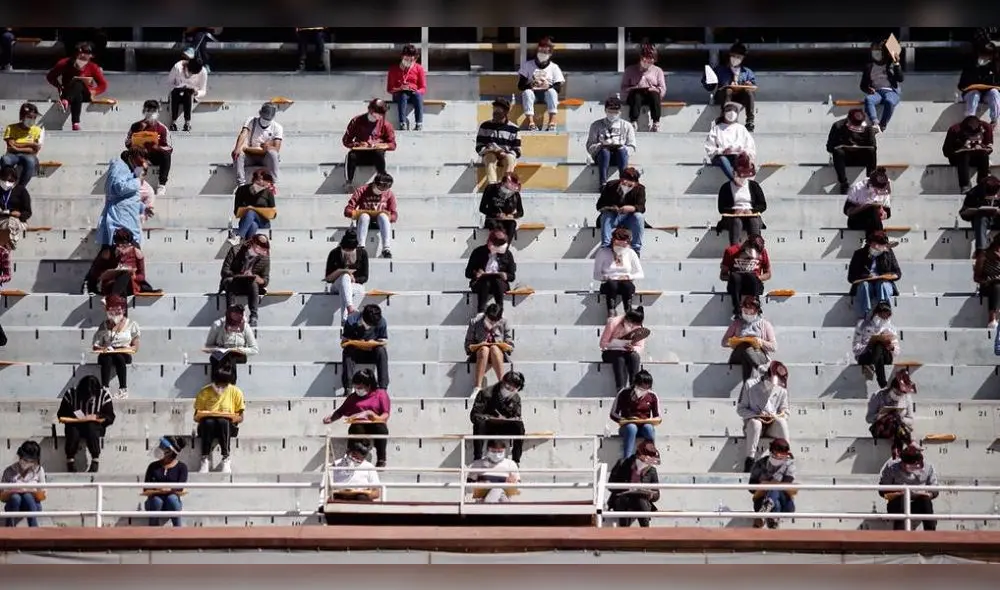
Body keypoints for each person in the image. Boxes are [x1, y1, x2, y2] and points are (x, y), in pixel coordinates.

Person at [322, 369, 391, 467]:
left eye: (360, 387)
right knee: (355, 428)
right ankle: (351, 456)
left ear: (369, 385)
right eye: (356, 387)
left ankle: (381, 459)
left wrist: (375, 417)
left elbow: (385, 414)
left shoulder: (380, 394)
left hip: (375, 423)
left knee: (381, 428)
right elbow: (340, 411)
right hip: (360, 425)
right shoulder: (353, 397)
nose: (358, 389)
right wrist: (331, 418)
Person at [738, 361, 790, 472]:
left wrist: (776, 416)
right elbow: (741, 409)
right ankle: (750, 460)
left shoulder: (781, 389)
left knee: (782, 422)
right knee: (755, 423)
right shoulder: (750, 385)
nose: (775, 384)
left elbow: (786, 411)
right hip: (754, 425)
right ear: (768, 375)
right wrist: (756, 415)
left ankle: (787, 457)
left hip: (772, 425)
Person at [193, 363, 245, 473]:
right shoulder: (204, 391)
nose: (220, 387)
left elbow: (240, 417)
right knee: (209, 422)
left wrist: (230, 416)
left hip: (227, 427)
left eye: (224, 384)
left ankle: (226, 457)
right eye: (218, 384)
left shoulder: (236, 392)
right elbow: (196, 417)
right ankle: (205, 458)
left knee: (222, 421)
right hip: (207, 427)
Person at [57, 374, 114, 473]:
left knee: (91, 426)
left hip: (95, 428)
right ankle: (70, 460)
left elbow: (110, 417)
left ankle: (95, 459)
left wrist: (96, 417)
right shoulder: (71, 394)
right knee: (73, 430)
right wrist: (78, 419)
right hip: (75, 425)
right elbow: (61, 415)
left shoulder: (104, 395)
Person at [45, 42, 108, 130]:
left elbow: (103, 85)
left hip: (85, 93)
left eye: (85, 54)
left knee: (79, 83)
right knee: (77, 94)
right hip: (69, 92)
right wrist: (59, 87)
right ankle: (75, 123)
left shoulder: (92, 67)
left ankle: (66, 101)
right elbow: (50, 77)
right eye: (79, 54)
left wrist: (94, 91)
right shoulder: (65, 63)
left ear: (91, 56)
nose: (81, 56)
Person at [469, 371, 526, 464]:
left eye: (513, 389)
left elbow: (517, 416)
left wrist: (508, 419)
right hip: (488, 426)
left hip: (505, 426)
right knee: (479, 425)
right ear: (502, 382)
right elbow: (474, 415)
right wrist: (490, 418)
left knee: (519, 426)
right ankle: (477, 458)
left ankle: (516, 460)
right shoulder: (485, 393)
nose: (509, 390)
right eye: (507, 386)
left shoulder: (515, 398)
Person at [97, 148, 150, 247]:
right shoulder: (120, 166)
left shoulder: (131, 170)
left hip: (129, 218)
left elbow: (130, 197)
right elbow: (119, 188)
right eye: (142, 158)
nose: (144, 162)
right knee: (123, 250)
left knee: (131, 251)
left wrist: (143, 207)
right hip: (120, 219)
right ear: (134, 156)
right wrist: (138, 180)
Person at [90, 294, 140, 399]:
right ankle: (105, 389)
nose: (116, 312)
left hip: (124, 354)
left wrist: (121, 349)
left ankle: (123, 389)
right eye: (112, 309)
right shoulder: (104, 325)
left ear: (123, 310)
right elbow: (95, 345)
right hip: (107, 353)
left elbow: (135, 347)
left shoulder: (132, 324)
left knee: (118, 357)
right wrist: (104, 348)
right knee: (107, 358)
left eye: (118, 309)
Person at [879, 445, 938, 531]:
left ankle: (930, 534)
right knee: (902, 500)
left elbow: (935, 490)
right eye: (905, 464)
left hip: (918, 503)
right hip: (898, 503)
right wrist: (898, 492)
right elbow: (882, 490)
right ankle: (901, 534)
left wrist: (928, 494)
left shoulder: (928, 467)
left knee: (925, 502)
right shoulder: (891, 467)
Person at [702, 42, 757, 132]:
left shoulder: (747, 72)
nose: (735, 59)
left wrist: (749, 84)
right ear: (730, 55)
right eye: (734, 56)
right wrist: (707, 77)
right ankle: (724, 117)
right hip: (724, 95)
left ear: (743, 58)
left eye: (739, 57)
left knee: (749, 92)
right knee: (728, 90)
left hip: (739, 97)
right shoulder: (720, 70)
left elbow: (753, 86)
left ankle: (750, 121)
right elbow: (709, 87)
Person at [86, 228, 157, 298]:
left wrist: (133, 276)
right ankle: (114, 296)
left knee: (126, 274)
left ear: (129, 244)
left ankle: (113, 297)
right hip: (111, 285)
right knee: (120, 277)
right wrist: (107, 273)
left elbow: (142, 276)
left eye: (124, 245)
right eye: (118, 244)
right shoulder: (108, 253)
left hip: (130, 286)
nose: (121, 247)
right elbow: (95, 272)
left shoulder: (137, 253)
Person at [342, 98, 396, 188]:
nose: (379, 116)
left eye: (381, 114)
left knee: (378, 153)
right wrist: (357, 144)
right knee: (351, 156)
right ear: (370, 110)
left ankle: (382, 180)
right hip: (360, 154)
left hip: (376, 155)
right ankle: (349, 183)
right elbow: (346, 140)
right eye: (377, 113)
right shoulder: (357, 121)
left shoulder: (386, 125)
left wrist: (379, 145)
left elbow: (392, 144)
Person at [606, 439, 660, 528]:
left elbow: (657, 495)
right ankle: (624, 530)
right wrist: (625, 489)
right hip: (623, 497)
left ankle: (646, 531)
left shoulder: (652, 470)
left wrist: (650, 495)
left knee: (641, 502)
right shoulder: (622, 463)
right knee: (623, 501)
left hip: (641, 500)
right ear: (638, 455)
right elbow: (611, 485)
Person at [847, 231, 901, 320]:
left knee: (882, 284)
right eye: (874, 244)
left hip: (883, 284)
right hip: (866, 285)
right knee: (865, 286)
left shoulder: (888, 253)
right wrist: (866, 276)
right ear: (869, 243)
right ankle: (864, 316)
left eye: (879, 244)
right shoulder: (859, 254)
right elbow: (851, 277)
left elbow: (897, 273)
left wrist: (885, 276)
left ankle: (883, 313)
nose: (876, 246)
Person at [219, 233, 270, 327]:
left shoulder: (265, 257)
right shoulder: (235, 250)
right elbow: (224, 271)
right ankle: (231, 316)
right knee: (230, 282)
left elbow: (266, 279)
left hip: (251, 286)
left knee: (253, 282)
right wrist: (239, 275)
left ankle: (253, 316)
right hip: (234, 282)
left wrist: (259, 280)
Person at [343, 172, 397, 259]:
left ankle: (386, 248)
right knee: (365, 216)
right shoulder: (362, 190)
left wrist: (388, 216)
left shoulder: (389, 194)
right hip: (363, 221)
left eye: (386, 188)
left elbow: (394, 214)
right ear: (375, 183)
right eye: (381, 187)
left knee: (383, 216)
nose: (383, 190)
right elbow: (348, 210)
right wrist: (356, 213)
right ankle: (361, 247)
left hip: (379, 222)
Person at [715, 153, 766, 246]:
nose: (742, 179)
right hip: (732, 217)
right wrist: (734, 211)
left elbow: (763, 205)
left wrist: (751, 211)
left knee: (753, 221)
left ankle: (755, 248)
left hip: (751, 215)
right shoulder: (725, 187)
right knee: (736, 221)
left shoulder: (754, 186)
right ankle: (734, 249)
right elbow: (721, 208)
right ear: (734, 173)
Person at [722, 296, 777, 381]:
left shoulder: (765, 324)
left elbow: (774, 347)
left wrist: (761, 342)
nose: (748, 313)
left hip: (758, 354)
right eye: (745, 310)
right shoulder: (737, 323)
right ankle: (760, 369)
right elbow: (724, 342)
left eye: (751, 311)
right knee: (745, 345)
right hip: (739, 354)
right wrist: (734, 341)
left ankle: (747, 386)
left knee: (747, 358)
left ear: (757, 310)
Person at [587, 96, 637, 189]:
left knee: (621, 151)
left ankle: (624, 183)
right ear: (605, 110)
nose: (613, 114)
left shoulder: (627, 125)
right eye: (610, 111)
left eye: (615, 112)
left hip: (620, 157)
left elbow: (632, 146)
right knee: (605, 151)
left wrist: (622, 147)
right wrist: (600, 146)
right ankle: (603, 184)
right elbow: (590, 146)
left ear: (620, 112)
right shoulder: (596, 125)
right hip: (601, 157)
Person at [125, 100, 172, 197]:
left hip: (154, 156)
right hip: (140, 154)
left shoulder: (162, 128)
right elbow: (127, 142)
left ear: (158, 112)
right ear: (144, 111)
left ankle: (161, 185)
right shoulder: (135, 126)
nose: (151, 113)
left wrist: (157, 147)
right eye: (148, 110)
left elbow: (169, 147)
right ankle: (137, 182)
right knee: (126, 154)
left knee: (166, 155)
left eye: (153, 110)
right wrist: (135, 141)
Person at [609, 370, 660, 459]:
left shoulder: (652, 396)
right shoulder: (624, 393)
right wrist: (626, 420)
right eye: (641, 388)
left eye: (647, 388)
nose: (644, 390)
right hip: (627, 428)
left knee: (648, 428)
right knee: (631, 427)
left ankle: (650, 457)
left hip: (644, 427)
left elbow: (658, 417)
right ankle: (627, 459)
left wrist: (645, 420)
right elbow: (613, 414)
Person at [516, 37, 565, 131]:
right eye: (541, 51)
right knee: (527, 92)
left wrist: (548, 86)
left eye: (546, 52)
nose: (543, 53)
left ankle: (552, 122)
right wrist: (531, 85)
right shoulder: (528, 65)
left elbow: (558, 88)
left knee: (552, 92)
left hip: (546, 96)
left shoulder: (554, 67)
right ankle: (531, 122)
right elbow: (520, 86)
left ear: (550, 54)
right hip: (533, 95)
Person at [866, 369, 916, 459]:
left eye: (901, 394)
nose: (898, 395)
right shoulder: (878, 395)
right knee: (893, 416)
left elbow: (911, 420)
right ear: (891, 388)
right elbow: (868, 418)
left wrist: (901, 419)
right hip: (881, 428)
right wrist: (880, 416)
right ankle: (909, 443)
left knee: (895, 418)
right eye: (896, 392)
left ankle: (895, 453)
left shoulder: (907, 398)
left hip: (899, 429)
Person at [465, 303, 514, 395]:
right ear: (485, 315)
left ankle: (502, 386)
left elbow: (510, 346)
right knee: (484, 349)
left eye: (495, 321)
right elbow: (468, 346)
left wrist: (503, 345)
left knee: (494, 348)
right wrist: (479, 345)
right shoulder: (475, 322)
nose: (492, 322)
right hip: (479, 355)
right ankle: (477, 387)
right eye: (490, 320)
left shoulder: (504, 322)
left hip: (497, 354)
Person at [826, 108, 878, 194]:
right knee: (838, 152)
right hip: (844, 159)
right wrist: (842, 146)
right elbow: (829, 147)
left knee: (871, 150)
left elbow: (873, 146)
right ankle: (843, 183)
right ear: (848, 119)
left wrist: (859, 147)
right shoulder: (838, 126)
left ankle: (870, 181)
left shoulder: (868, 127)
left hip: (861, 158)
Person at [594, 228, 645, 317]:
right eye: (617, 244)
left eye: (623, 244)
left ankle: (628, 312)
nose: (620, 246)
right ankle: (611, 312)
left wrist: (629, 276)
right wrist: (606, 277)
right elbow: (596, 274)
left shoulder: (630, 253)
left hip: (625, 283)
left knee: (627, 285)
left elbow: (640, 273)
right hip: (608, 284)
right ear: (613, 241)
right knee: (612, 284)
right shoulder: (603, 252)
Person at [595, 167, 646, 255]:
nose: (625, 184)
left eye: (630, 184)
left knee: (639, 217)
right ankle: (606, 248)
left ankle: (635, 249)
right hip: (613, 217)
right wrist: (611, 208)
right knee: (606, 215)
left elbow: (642, 207)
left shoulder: (640, 189)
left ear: (635, 183)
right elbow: (599, 205)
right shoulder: (610, 185)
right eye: (623, 181)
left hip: (629, 218)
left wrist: (631, 208)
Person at [599, 302, 649, 391]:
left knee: (635, 357)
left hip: (628, 352)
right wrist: (613, 345)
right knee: (619, 358)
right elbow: (603, 343)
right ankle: (620, 388)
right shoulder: (613, 322)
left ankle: (634, 387)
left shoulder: (639, 327)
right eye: (631, 323)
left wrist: (633, 348)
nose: (632, 326)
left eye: (635, 325)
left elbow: (640, 346)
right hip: (611, 353)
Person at [341, 304, 390, 394]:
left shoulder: (381, 322)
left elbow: (383, 341)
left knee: (381, 351)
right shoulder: (352, 320)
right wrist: (355, 342)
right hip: (356, 353)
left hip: (372, 352)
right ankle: (348, 387)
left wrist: (373, 342)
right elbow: (344, 342)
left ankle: (383, 388)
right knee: (348, 350)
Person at [748, 438, 796, 529]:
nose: (778, 456)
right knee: (775, 503)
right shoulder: (760, 464)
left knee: (776, 488)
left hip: (785, 504)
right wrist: (765, 488)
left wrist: (768, 485)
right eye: (776, 453)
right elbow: (751, 488)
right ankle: (771, 518)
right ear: (771, 451)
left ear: (786, 454)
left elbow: (786, 484)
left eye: (782, 454)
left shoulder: (789, 465)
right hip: (761, 501)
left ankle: (765, 510)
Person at [232, 102, 283, 187]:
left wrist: (268, 147)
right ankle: (241, 185)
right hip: (250, 155)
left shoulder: (277, 127)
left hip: (264, 158)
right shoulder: (251, 121)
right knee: (238, 153)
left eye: (268, 119)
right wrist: (237, 148)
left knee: (273, 154)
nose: (265, 120)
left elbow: (277, 148)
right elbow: (243, 133)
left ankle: (273, 183)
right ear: (260, 113)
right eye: (264, 117)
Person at [204, 303, 259, 383]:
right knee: (216, 358)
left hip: (238, 354)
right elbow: (208, 346)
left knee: (230, 356)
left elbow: (254, 349)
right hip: (221, 353)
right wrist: (218, 348)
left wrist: (239, 349)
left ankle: (230, 383)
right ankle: (216, 383)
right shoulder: (218, 325)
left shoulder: (245, 326)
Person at [465, 229, 516, 314]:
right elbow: (468, 273)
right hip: (481, 284)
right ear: (489, 242)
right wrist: (476, 273)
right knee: (486, 281)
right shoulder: (478, 252)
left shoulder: (507, 254)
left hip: (499, 284)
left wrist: (506, 275)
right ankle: (481, 312)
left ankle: (499, 311)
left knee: (496, 280)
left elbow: (512, 276)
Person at [720, 234, 772, 316]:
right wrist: (738, 277)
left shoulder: (762, 252)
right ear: (746, 244)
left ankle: (755, 306)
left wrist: (757, 277)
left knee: (751, 276)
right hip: (736, 285)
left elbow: (768, 274)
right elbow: (722, 276)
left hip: (754, 283)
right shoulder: (731, 251)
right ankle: (737, 310)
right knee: (736, 277)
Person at [704, 102, 757, 182]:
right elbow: (709, 147)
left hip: (737, 156)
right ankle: (735, 179)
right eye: (728, 110)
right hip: (721, 156)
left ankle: (743, 177)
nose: (731, 112)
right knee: (723, 159)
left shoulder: (741, 128)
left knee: (742, 159)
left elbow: (750, 146)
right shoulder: (716, 128)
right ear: (723, 113)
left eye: (734, 110)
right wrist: (722, 151)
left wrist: (743, 152)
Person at [143, 436, 188, 527]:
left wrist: (167, 490)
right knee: (156, 501)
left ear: (170, 451)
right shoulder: (153, 466)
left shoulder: (182, 467)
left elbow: (179, 488)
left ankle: (178, 530)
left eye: (162, 446)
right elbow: (146, 488)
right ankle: (153, 531)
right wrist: (160, 490)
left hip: (172, 503)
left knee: (172, 499)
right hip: (154, 501)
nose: (159, 448)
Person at [853, 300, 900, 388]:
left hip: (885, 356)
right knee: (878, 349)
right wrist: (868, 345)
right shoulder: (863, 326)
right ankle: (883, 384)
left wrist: (892, 347)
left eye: (887, 315)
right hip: (866, 355)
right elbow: (856, 349)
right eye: (882, 315)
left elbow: (897, 352)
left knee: (879, 345)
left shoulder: (891, 329)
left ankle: (873, 367)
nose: (885, 318)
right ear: (877, 314)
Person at [475, 97, 522, 186]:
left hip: (506, 154)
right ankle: (492, 185)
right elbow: (479, 146)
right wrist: (489, 149)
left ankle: (504, 184)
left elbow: (517, 150)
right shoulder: (485, 126)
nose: (495, 112)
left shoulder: (514, 128)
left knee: (510, 158)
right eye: (494, 109)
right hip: (490, 154)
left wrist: (506, 153)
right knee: (490, 157)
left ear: (505, 112)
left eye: (498, 110)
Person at [620, 44, 667, 131]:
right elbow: (623, 89)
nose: (647, 64)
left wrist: (655, 89)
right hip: (634, 97)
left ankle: (656, 122)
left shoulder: (658, 71)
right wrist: (633, 88)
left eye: (650, 62)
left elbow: (663, 88)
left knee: (654, 95)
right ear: (641, 58)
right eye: (645, 61)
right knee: (637, 95)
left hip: (650, 95)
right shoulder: (630, 70)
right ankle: (633, 121)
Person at [324, 229, 369, 320]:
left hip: (356, 286)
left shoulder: (362, 253)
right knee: (345, 277)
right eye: (346, 250)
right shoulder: (334, 253)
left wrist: (354, 279)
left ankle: (344, 319)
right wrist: (342, 273)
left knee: (344, 289)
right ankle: (350, 308)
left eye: (351, 250)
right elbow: (328, 278)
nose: (348, 252)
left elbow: (365, 277)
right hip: (337, 284)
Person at [861, 40, 904, 133]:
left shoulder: (890, 64)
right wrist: (868, 89)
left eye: (878, 50)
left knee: (889, 101)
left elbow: (900, 78)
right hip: (877, 92)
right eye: (873, 50)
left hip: (891, 91)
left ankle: (883, 124)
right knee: (869, 99)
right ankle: (875, 123)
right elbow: (863, 85)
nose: (876, 52)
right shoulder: (869, 67)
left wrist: (897, 64)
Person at [943, 115, 994, 194]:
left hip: (976, 157)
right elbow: (946, 152)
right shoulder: (954, 129)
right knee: (964, 154)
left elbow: (989, 148)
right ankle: (965, 185)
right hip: (959, 158)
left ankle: (983, 183)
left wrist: (982, 147)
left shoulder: (986, 127)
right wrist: (961, 149)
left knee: (984, 155)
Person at [1, 441, 45, 528]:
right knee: (16, 497)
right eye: (25, 460)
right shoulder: (9, 471)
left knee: (27, 496)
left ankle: (34, 528)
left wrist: (29, 491)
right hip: (14, 503)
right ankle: (10, 527)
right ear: (20, 457)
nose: (27, 463)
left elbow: (43, 496)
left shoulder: (39, 470)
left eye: (31, 461)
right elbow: (2, 497)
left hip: (32, 503)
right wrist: (13, 491)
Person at [229, 169, 276, 247]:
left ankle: (239, 237)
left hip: (263, 222)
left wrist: (254, 210)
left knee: (251, 211)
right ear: (254, 181)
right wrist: (245, 209)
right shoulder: (242, 190)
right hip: (246, 221)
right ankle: (247, 246)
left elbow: (273, 214)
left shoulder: (268, 192)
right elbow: (236, 212)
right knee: (253, 225)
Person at [387, 44, 427, 131]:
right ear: (402, 57)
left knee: (418, 96)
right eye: (406, 59)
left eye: (411, 59)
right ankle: (402, 123)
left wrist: (417, 91)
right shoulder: (393, 69)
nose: (409, 61)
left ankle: (419, 124)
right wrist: (400, 88)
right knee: (403, 94)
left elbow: (423, 88)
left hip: (413, 93)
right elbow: (389, 89)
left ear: (415, 58)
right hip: (399, 95)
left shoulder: (419, 68)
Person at [1, 102, 43, 186]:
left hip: (29, 156)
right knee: (5, 159)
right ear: (22, 116)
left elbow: (34, 150)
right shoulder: (11, 128)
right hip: (12, 155)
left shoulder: (37, 130)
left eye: (34, 117)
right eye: (29, 117)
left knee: (30, 161)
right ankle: (7, 183)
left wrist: (17, 147)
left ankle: (20, 187)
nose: (32, 119)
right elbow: (10, 146)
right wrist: (31, 144)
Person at [466, 439, 520, 503]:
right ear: (488, 450)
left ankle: (489, 505)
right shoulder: (478, 464)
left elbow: (518, 488)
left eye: (500, 452)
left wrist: (512, 483)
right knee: (497, 489)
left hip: (502, 498)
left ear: (505, 450)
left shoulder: (510, 464)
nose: (497, 454)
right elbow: (468, 489)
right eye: (493, 451)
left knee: (497, 489)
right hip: (482, 498)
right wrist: (479, 485)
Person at [843, 167, 892, 234]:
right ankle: (879, 237)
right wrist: (865, 206)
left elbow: (888, 213)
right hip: (856, 220)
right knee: (872, 209)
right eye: (877, 189)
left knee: (874, 214)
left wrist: (883, 213)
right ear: (870, 184)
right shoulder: (858, 187)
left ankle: (876, 238)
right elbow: (847, 211)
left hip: (874, 221)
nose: (879, 192)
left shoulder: (884, 190)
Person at [958, 48, 999, 127]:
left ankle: (994, 120)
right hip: (971, 94)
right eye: (983, 54)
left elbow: (997, 87)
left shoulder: (994, 67)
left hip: (986, 95)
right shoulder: (970, 66)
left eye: (989, 55)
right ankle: (969, 119)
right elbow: (964, 86)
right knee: (975, 94)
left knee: (994, 92)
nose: (986, 57)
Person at [166, 56, 207, 132]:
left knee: (188, 94)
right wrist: (178, 87)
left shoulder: (203, 72)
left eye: (194, 73)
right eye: (190, 72)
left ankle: (187, 123)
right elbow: (169, 83)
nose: (191, 75)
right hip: (177, 93)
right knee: (175, 93)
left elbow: (203, 91)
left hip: (191, 96)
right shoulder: (177, 67)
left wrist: (196, 93)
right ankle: (173, 122)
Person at [961, 175, 1000, 254]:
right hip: (981, 222)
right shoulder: (973, 193)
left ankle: (995, 247)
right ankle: (981, 251)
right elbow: (963, 214)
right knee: (981, 218)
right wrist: (973, 211)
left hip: (997, 219)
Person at [479, 172, 524, 240]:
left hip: (506, 220)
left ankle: (506, 245)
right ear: (502, 183)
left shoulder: (515, 194)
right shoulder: (490, 188)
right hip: (492, 219)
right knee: (495, 225)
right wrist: (496, 214)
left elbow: (521, 212)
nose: (509, 191)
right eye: (507, 188)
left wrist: (512, 216)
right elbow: (482, 208)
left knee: (512, 224)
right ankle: (497, 243)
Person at [0, 165, 31, 250]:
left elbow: (28, 212)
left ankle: (10, 243)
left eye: (10, 180)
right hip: (1, 218)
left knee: (10, 223)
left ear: (15, 180)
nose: (6, 182)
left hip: (17, 220)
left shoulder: (21, 191)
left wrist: (19, 214)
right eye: (4, 179)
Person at [975, 233, 1000, 329]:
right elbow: (976, 277)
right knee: (996, 285)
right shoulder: (984, 255)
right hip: (988, 286)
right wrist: (988, 280)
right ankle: (992, 319)